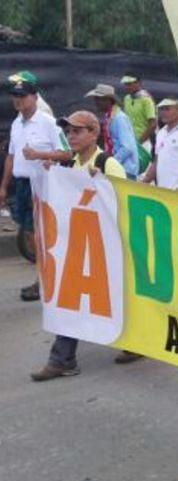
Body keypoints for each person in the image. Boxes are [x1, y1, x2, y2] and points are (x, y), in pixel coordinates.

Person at [30, 110, 134, 382]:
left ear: (93, 133)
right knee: (71, 299)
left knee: (119, 296)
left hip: (106, 247)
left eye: (77, 131)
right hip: (80, 246)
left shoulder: (108, 163)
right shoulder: (69, 166)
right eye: (69, 131)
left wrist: (101, 182)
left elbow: (126, 203)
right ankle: (62, 359)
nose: (71, 136)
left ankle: (135, 342)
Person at [0, 75, 71, 302]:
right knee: (30, 235)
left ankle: (46, 279)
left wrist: (39, 154)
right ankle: (45, 276)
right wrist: (3, 186)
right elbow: (11, 156)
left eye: (22, 96)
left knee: (41, 235)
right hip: (21, 185)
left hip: (41, 186)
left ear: (34, 96)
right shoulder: (16, 123)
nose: (17, 100)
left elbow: (66, 153)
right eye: (14, 96)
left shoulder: (47, 122)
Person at [85, 83, 139, 179]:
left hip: (124, 171)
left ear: (108, 100)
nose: (95, 102)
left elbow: (127, 148)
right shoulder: (110, 117)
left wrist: (111, 163)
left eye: (98, 99)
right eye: (95, 99)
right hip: (118, 169)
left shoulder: (119, 118)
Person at [141, 98, 178, 190]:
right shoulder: (161, 133)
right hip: (164, 192)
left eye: (167, 109)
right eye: (161, 109)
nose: (163, 112)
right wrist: (143, 183)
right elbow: (157, 161)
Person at [120, 73, 157, 147]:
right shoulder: (126, 98)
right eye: (126, 84)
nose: (127, 87)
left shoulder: (146, 99)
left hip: (143, 143)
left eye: (130, 84)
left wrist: (139, 143)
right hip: (128, 142)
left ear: (138, 83)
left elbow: (153, 124)